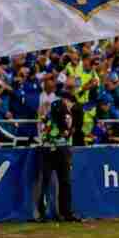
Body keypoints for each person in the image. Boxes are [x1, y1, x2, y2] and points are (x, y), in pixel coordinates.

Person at [38, 93, 79, 222]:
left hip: (55, 150)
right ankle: (51, 213)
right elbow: (67, 131)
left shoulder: (49, 118)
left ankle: (62, 213)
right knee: (57, 182)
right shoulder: (55, 118)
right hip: (56, 150)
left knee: (60, 182)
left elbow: (67, 130)